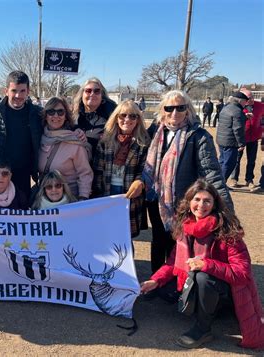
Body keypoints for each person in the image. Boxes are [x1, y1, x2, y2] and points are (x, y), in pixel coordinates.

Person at [141, 179, 263, 350]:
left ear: (214, 205)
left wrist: (206, 264)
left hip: (224, 293)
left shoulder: (227, 231)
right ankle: (194, 303)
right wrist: (155, 280)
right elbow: (172, 263)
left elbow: (242, 273)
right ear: (189, 202)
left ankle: (203, 328)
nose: (201, 205)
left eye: (207, 201)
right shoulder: (186, 226)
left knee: (203, 276)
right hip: (193, 283)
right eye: (196, 199)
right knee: (160, 290)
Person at [143, 90, 233, 273]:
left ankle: (174, 282)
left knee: (178, 242)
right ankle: (156, 279)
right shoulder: (154, 131)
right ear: (162, 110)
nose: (174, 113)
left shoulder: (198, 136)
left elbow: (211, 174)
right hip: (156, 198)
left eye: (180, 107)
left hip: (182, 200)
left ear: (188, 110)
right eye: (169, 108)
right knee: (158, 238)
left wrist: (228, 210)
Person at [0, 70, 43, 196]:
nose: (18, 96)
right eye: (14, 91)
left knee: (20, 213)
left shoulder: (37, 113)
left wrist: (76, 132)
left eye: (22, 91)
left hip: (22, 176)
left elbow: (57, 125)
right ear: (6, 91)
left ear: (28, 91)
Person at [93, 99, 150, 238]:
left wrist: (139, 183)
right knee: (106, 234)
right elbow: (98, 171)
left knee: (126, 236)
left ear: (138, 120)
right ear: (116, 118)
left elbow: (143, 171)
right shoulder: (105, 142)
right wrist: (98, 196)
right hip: (107, 192)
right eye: (123, 115)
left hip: (129, 194)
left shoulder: (143, 144)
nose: (127, 119)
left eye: (132, 116)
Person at [38, 96, 93, 200]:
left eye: (60, 112)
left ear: (66, 116)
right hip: (46, 199)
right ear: (45, 116)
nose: (56, 116)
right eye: (51, 112)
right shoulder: (40, 139)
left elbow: (85, 173)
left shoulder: (74, 142)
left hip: (69, 201)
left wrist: (82, 198)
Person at [72, 77, 117, 160]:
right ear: (82, 94)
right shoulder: (72, 115)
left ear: (102, 95)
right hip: (75, 166)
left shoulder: (113, 117)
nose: (92, 94)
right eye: (88, 91)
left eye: (96, 91)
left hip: (100, 167)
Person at [229, 88, 264, 190]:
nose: (252, 99)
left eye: (252, 96)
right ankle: (234, 179)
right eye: (249, 98)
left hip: (254, 138)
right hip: (240, 138)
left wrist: (262, 129)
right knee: (236, 159)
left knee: (251, 160)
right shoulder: (237, 107)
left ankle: (249, 180)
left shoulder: (260, 106)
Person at [216, 91, 248, 183]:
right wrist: (241, 143)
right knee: (229, 163)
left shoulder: (226, 108)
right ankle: (221, 185)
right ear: (240, 101)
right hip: (230, 142)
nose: (245, 104)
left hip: (222, 140)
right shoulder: (238, 111)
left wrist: (244, 117)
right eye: (245, 101)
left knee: (222, 162)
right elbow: (238, 129)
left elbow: (230, 121)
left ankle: (217, 183)